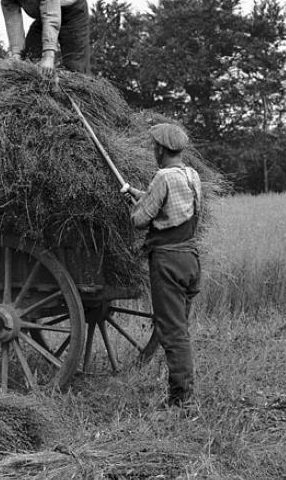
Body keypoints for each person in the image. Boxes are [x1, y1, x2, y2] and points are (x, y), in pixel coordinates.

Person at [123, 123, 203, 408]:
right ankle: (184, 392)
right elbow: (172, 209)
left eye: (154, 147)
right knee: (180, 327)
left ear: (160, 149)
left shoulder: (162, 177)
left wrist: (132, 207)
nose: (153, 151)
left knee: (172, 331)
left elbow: (139, 221)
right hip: (190, 260)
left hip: (167, 261)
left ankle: (181, 399)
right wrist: (135, 192)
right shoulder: (191, 175)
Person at [0, 0, 91, 74]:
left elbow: (51, 16)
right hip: (44, 14)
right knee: (30, 55)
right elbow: (13, 24)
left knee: (75, 64)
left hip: (72, 12)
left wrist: (48, 56)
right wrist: (16, 55)